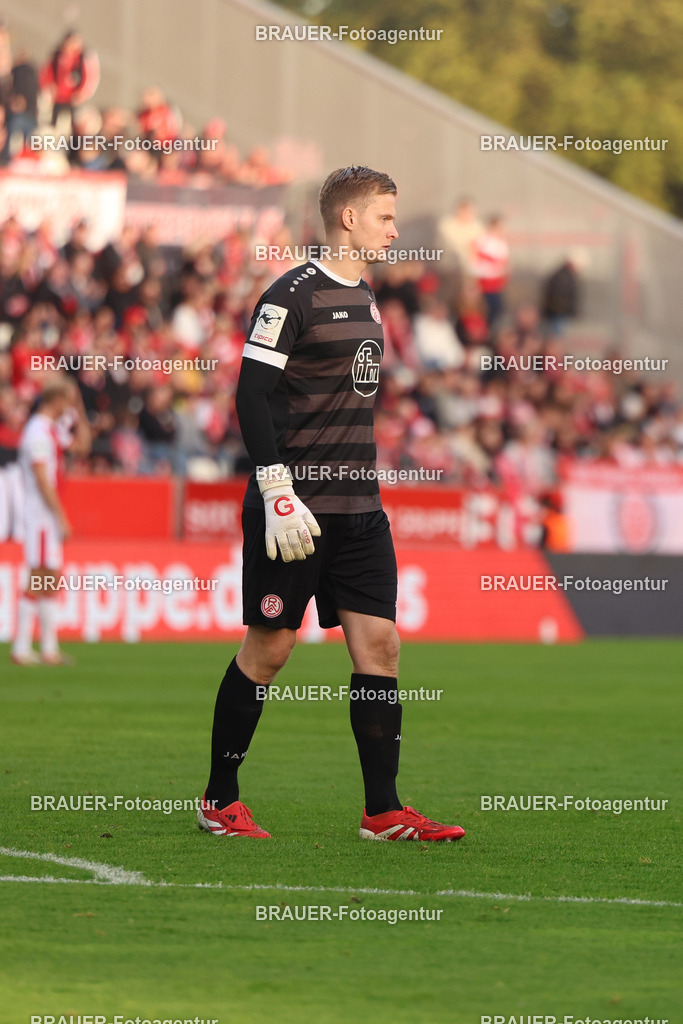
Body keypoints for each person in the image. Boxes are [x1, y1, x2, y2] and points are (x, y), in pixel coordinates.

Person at [197, 165, 466, 842]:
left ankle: (382, 811)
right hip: (293, 505)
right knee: (270, 650)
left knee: (381, 643)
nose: (393, 230)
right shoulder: (289, 296)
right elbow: (250, 395)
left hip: (359, 508)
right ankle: (218, 800)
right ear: (347, 218)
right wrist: (273, 485)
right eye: (384, 216)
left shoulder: (368, 295)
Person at [11, 382, 90, 665]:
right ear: (56, 401)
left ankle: (47, 647)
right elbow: (43, 480)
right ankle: (22, 647)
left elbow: (82, 445)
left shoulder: (50, 430)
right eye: (67, 402)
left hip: (46, 516)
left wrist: (80, 409)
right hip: (41, 515)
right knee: (38, 575)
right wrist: (60, 516)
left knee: (49, 578)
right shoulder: (37, 432)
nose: (69, 408)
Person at [474, 214, 509, 327]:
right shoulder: (484, 240)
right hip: (485, 282)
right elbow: (478, 257)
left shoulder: (502, 243)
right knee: (487, 311)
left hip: (497, 282)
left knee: (497, 311)